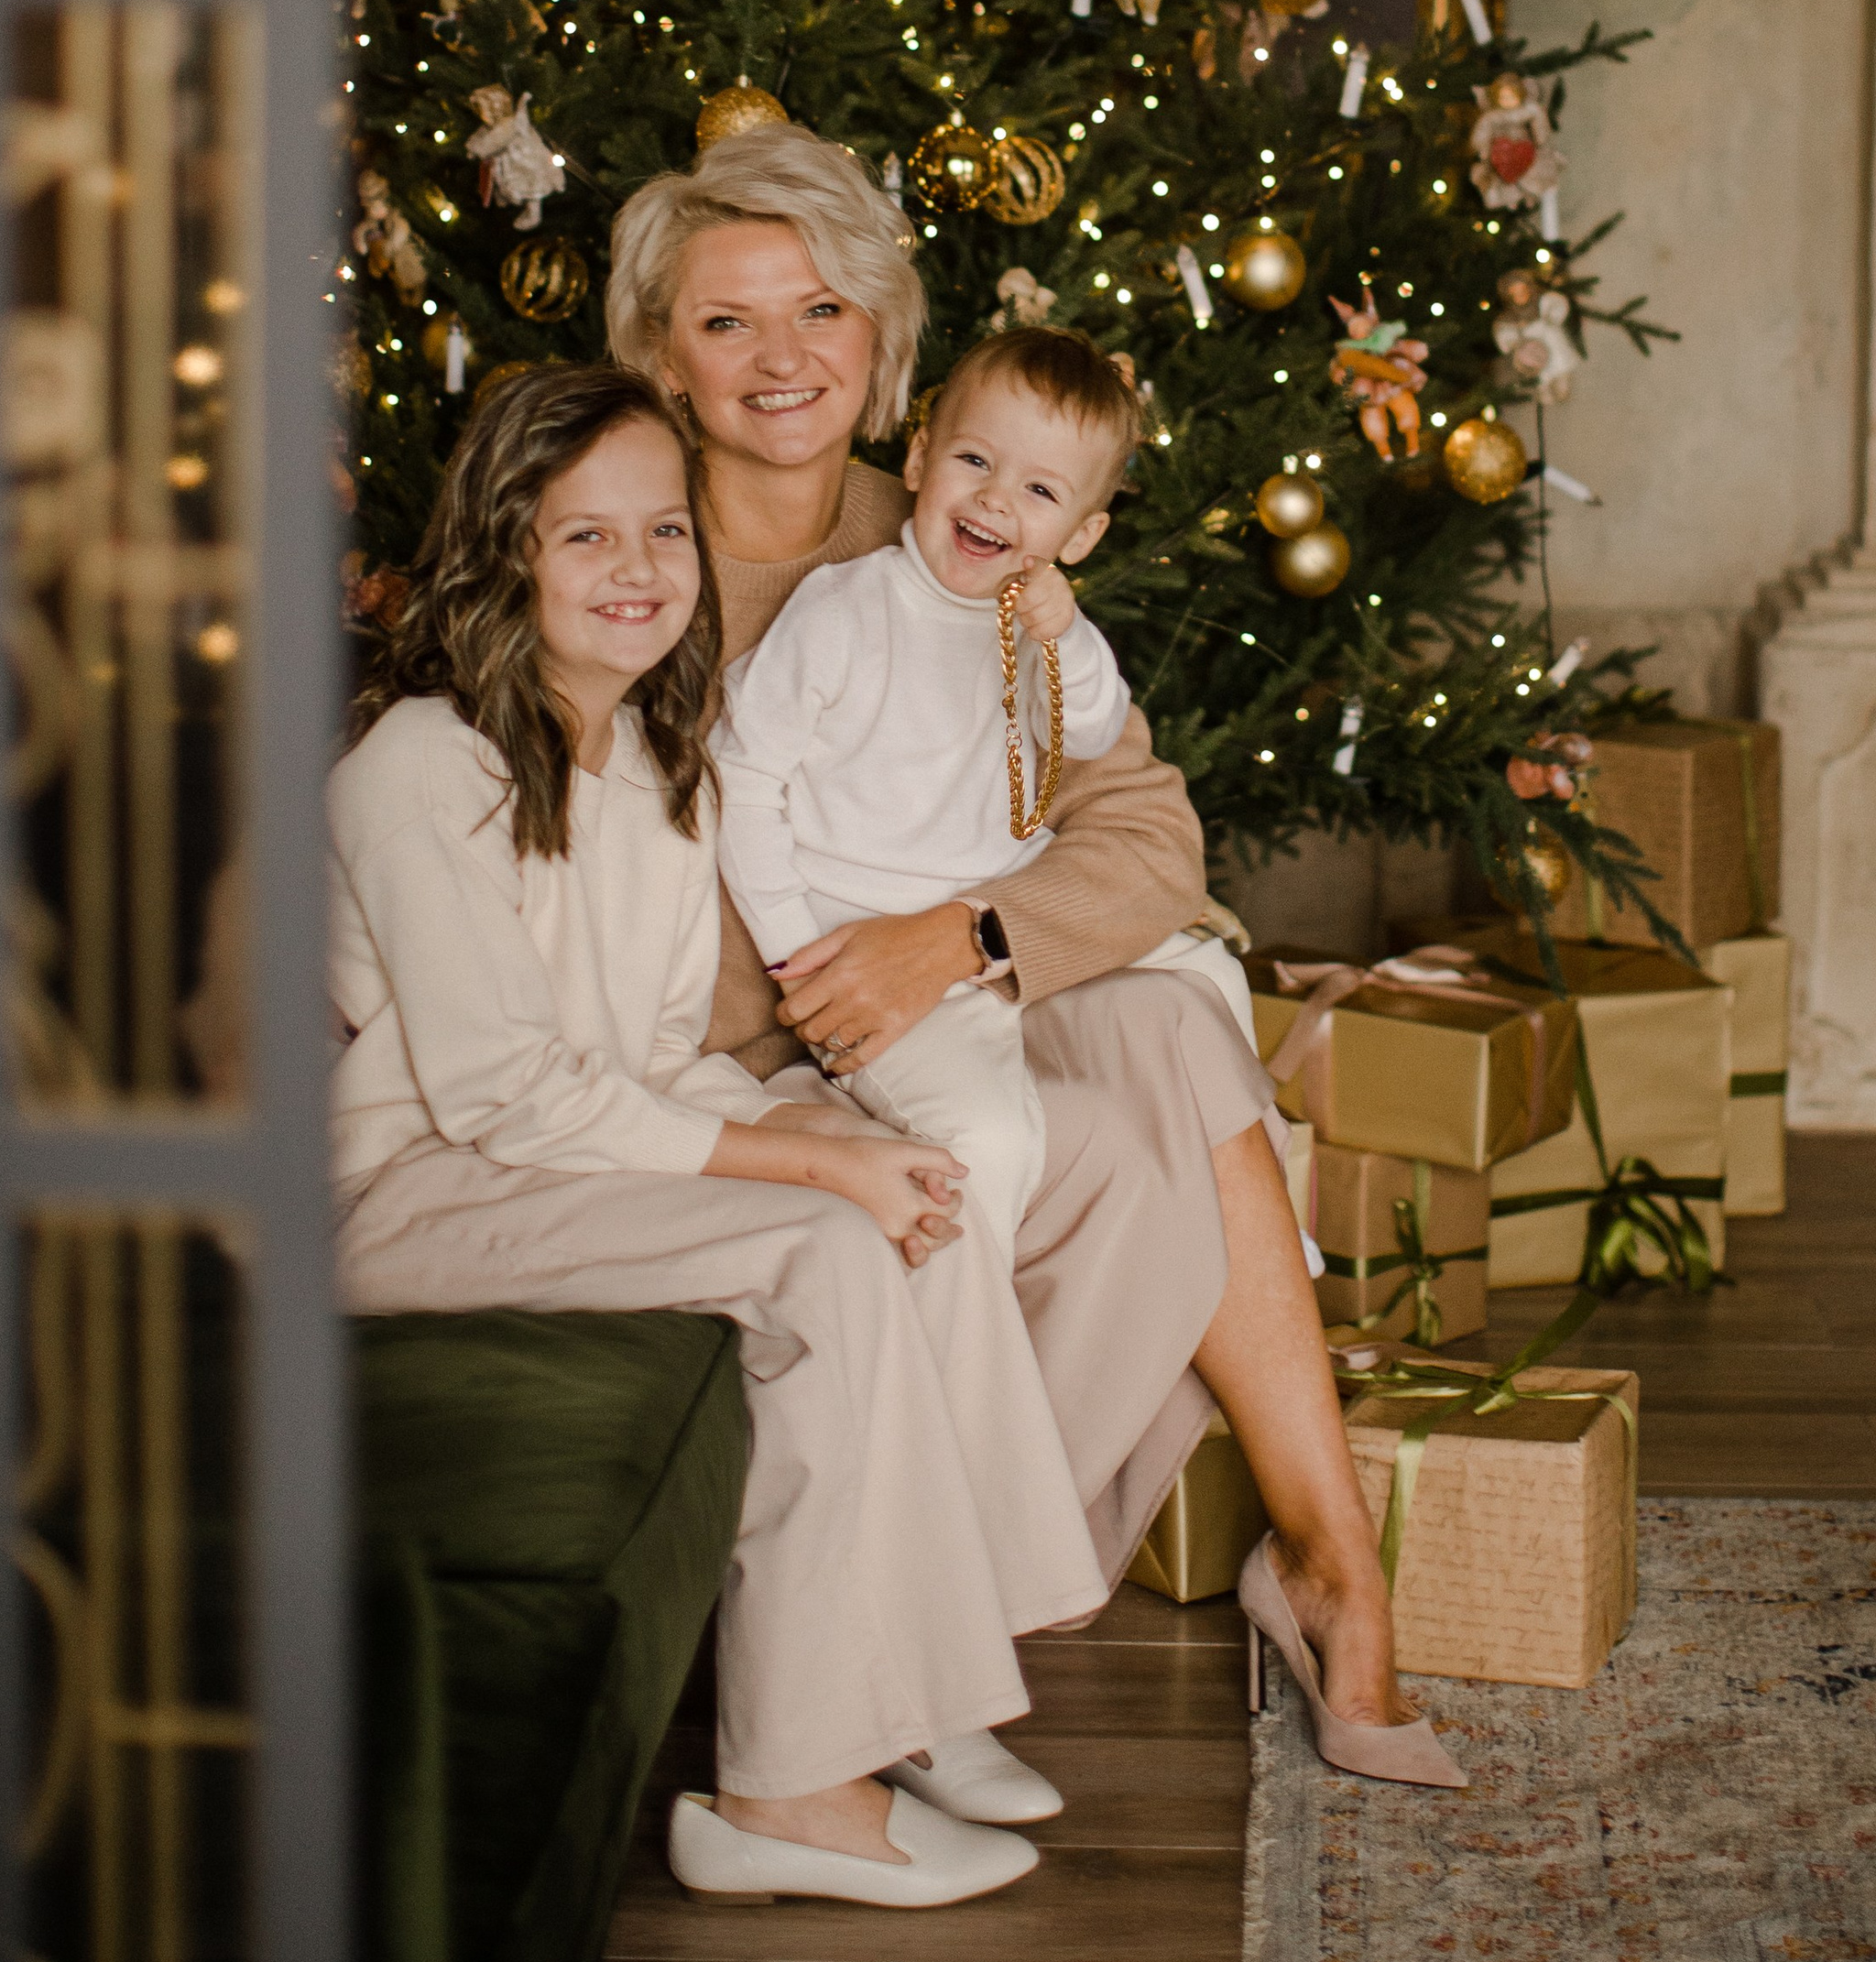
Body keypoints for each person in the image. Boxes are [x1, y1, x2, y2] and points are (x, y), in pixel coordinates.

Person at [607, 124, 1463, 1789]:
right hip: (739, 1047)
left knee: (1173, 1041)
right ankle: (1011, 1623)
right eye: (729, 323)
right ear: (659, 354)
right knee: (1139, 1143)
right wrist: (825, 991)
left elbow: (1148, 837)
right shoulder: (621, 549)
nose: (784, 359)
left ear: (887, 351)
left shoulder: (969, 529)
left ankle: (1322, 1557)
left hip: (942, 1009)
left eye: (824, 313)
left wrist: (962, 936)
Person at [329, 364, 1113, 1907]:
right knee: (828, 1237)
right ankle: (788, 1791)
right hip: (404, 1190)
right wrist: (814, 1159)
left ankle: (943, 1689)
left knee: (919, 1197)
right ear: (505, 556)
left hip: (547, 1158)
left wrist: (828, 1132)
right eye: (584, 540)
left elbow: (646, 1058)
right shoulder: (426, 767)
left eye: (664, 534)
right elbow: (506, 1095)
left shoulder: (649, 762)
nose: (638, 575)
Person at [714, 323, 1252, 1261]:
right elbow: (744, 780)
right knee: (991, 1141)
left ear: (1078, 536)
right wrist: (794, 953)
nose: (996, 501)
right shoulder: (845, 611)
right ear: (920, 457)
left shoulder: (1031, 618)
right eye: (974, 460)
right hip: (864, 924)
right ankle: (966, 1339)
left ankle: (1271, 1228)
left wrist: (1070, 638)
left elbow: (1087, 733)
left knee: (1210, 972)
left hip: (987, 898)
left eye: (1039, 492)